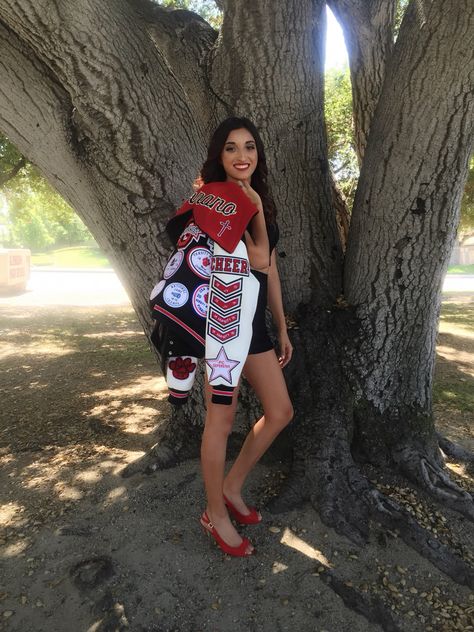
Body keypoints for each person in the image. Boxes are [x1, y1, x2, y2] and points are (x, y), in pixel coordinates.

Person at [197, 117, 294, 557]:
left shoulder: (260, 200)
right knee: (220, 422)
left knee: (279, 411)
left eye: (249, 147)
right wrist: (252, 207)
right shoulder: (215, 200)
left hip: (253, 328)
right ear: (220, 156)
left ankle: (233, 487)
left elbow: (269, 267)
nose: (242, 156)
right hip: (222, 330)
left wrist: (281, 322)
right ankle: (215, 513)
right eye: (232, 148)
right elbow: (254, 256)